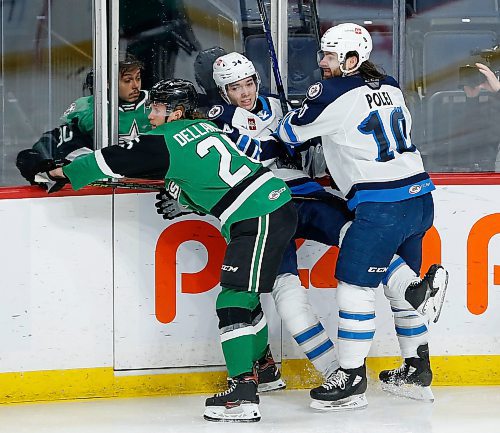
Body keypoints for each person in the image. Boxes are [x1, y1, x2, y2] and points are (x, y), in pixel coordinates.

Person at [36, 78, 297, 423]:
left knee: (231, 298)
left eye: (157, 107)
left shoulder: (164, 139)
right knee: (244, 296)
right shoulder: (206, 127)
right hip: (270, 204)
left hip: (256, 214)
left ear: (175, 111)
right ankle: (264, 370)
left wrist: (57, 171)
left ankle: (242, 393)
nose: (151, 112)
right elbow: (206, 175)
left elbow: (108, 161)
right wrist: (183, 196)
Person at [276, 23, 449, 410]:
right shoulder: (389, 85)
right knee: (399, 288)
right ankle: (416, 370)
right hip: (420, 199)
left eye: (330, 56)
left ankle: (351, 379)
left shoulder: (332, 91)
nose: (322, 62)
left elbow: (290, 133)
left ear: (352, 60)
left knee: (353, 286)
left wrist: (296, 115)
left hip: (380, 206)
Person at [208, 52, 349, 386]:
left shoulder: (278, 104)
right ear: (223, 93)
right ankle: (332, 371)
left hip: (304, 193)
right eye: (235, 88)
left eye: (248, 84)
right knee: (287, 291)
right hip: (264, 207)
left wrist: (301, 126)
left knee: (359, 236)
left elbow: (313, 137)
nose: (244, 93)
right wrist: (283, 137)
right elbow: (253, 155)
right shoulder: (220, 119)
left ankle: (408, 288)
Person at [16, 54, 152, 188]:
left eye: (138, 78)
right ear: (108, 83)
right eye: (127, 81)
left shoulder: (156, 104)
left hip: (152, 180)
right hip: (106, 183)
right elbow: (60, 140)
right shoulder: (90, 108)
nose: (135, 86)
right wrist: (42, 157)